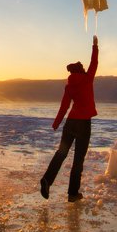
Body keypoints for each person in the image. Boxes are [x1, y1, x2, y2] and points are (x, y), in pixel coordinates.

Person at [40, 36, 99, 202]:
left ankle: (47, 180)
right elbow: (94, 63)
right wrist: (95, 46)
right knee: (78, 160)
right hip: (83, 124)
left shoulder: (69, 86)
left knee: (61, 153)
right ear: (80, 70)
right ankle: (73, 194)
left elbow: (64, 106)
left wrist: (57, 123)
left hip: (70, 123)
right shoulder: (87, 79)